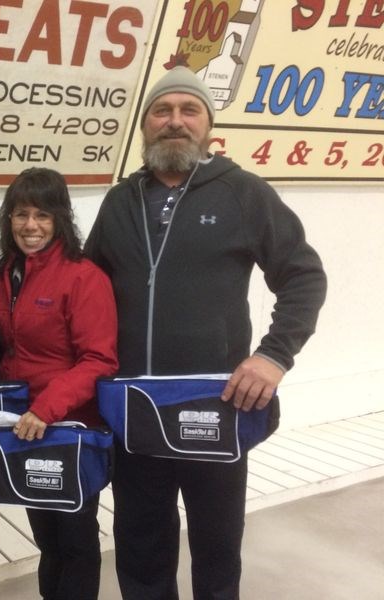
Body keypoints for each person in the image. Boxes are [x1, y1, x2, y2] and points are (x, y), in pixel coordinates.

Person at [84, 66, 328, 600]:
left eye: (188, 110)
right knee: (140, 546)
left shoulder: (243, 193)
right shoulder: (120, 202)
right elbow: (85, 288)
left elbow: (304, 275)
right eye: (162, 111)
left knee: (217, 548)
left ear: (208, 126)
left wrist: (273, 356)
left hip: (214, 408)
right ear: (145, 125)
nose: (175, 121)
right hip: (135, 411)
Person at [0, 167, 119, 600]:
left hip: (68, 428)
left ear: (60, 218)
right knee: (46, 537)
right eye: (21, 214)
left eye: (43, 215)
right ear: (8, 218)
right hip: (23, 427)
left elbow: (99, 360)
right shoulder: (5, 272)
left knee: (77, 538)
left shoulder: (84, 277)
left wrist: (47, 407)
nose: (31, 226)